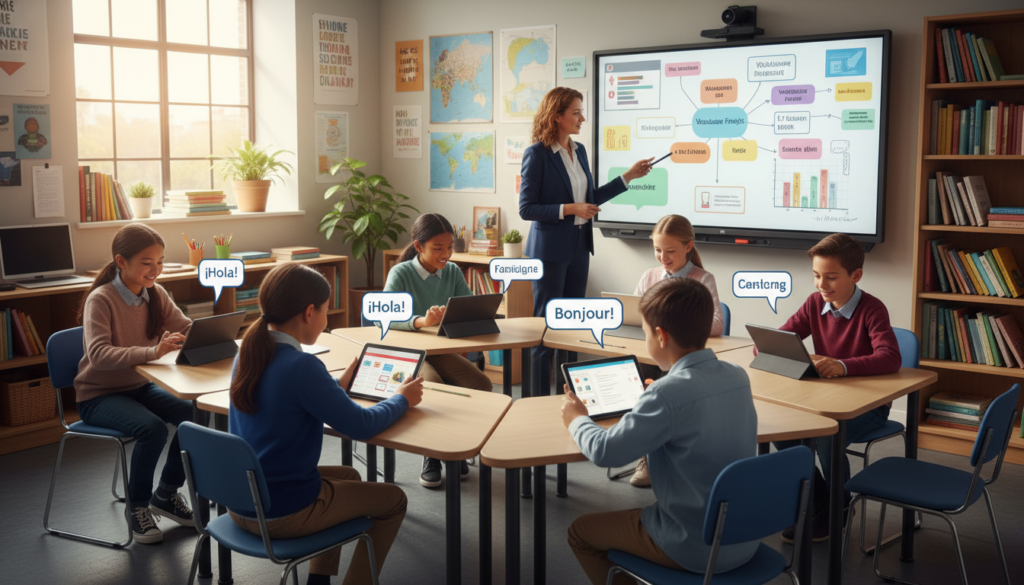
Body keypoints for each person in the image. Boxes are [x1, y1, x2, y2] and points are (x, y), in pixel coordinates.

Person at [229, 263, 423, 585]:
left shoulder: (249, 353)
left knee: (348, 475)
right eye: (326, 311)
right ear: (308, 312)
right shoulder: (303, 366)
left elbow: (286, 396)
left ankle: (318, 582)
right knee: (394, 500)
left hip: (242, 499)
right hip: (282, 511)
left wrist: (333, 387)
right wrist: (402, 398)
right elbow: (361, 426)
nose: (327, 319)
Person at [562, 277, 758, 584]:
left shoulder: (666, 395)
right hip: (745, 536)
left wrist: (576, 418)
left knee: (580, 533)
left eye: (644, 333)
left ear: (660, 336)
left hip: (693, 546)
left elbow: (604, 451)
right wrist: (655, 401)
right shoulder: (736, 375)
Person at [519, 86, 654, 396]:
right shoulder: (537, 154)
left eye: (581, 111)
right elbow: (527, 209)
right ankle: (537, 398)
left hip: (580, 246)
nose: (582, 118)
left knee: (571, 327)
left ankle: (569, 396)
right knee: (546, 325)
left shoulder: (578, 151)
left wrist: (628, 176)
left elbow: (590, 198)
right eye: (576, 112)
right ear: (557, 117)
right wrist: (570, 210)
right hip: (549, 252)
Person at [771, 232, 901, 543]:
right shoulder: (815, 303)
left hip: (869, 406)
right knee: (780, 430)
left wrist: (842, 365)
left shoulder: (872, 309)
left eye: (830, 277)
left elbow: (891, 357)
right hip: (826, 399)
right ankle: (820, 500)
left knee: (828, 437)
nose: (821, 285)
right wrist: (779, 348)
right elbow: (781, 338)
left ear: (855, 275)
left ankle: (838, 509)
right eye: (816, 275)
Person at [74, 223, 196, 544]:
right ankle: (138, 507)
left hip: (139, 386)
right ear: (121, 261)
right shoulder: (101, 300)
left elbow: (185, 327)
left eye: (160, 261)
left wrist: (209, 334)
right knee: (152, 429)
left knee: (196, 415)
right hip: (98, 396)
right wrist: (153, 351)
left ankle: (166, 494)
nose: (155, 269)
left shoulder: (156, 293)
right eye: (147, 262)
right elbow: (99, 355)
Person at [382, 212, 492, 488]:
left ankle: (455, 448)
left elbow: (465, 305)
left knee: (480, 383)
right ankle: (431, 454)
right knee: (433, 386)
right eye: (438, 248)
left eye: (450, 247)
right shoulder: (401, 273)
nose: (446, 254)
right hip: (408, 351)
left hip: (439, 349)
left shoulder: (452, 271)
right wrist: (421, 321)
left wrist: (475, 312)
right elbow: (380, 317)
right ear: (418, 247)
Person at [628, 213, 726, 487]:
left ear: (688, 246)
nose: (663, 256)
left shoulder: (702, 279)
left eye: (670, 251)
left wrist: (673, 324)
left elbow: (717, 324)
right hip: (654, 351)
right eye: (657, 250)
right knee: (633, 373)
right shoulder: (649, 277)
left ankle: (656, 452)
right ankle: (647, 449)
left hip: (683, 355)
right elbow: (635, 314)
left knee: (662, 383)